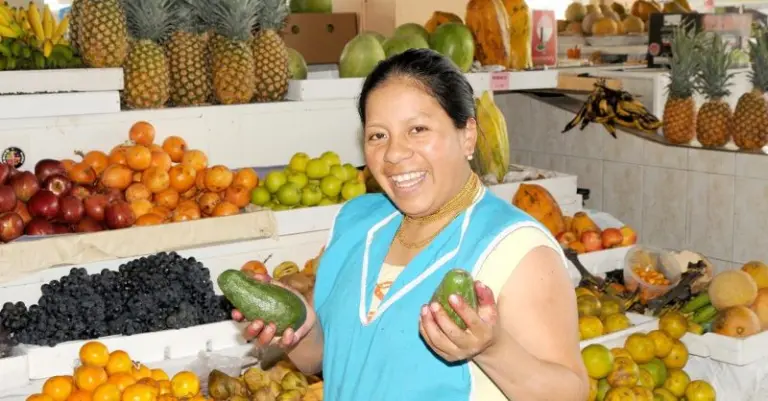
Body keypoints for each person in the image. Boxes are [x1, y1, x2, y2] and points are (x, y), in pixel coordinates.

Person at [232, 48, 588, 400]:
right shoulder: (356, 223)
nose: (394, 153)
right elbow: (322, 357)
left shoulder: (517, 248)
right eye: (377, 135)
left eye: (417, 129)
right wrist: (299, 328)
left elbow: (569, 393)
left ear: (467, 135)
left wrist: (491, 349)